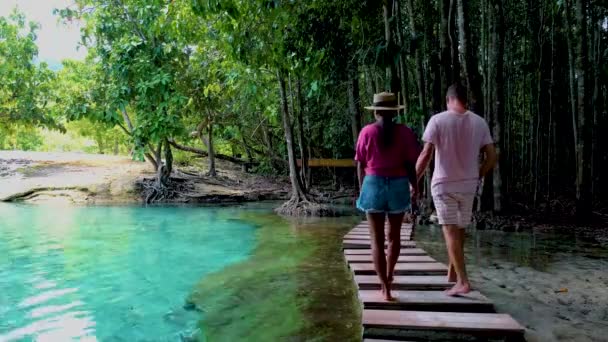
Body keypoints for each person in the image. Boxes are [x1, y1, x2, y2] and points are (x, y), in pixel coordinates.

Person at [416, 83, 497, 296]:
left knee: (450, 231)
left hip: (443, 184)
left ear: (448, 100)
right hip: (469, 185)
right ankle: (452, 275)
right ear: (465, 100)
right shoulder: (480, 123)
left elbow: (426, 154)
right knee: (460, 230)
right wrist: (479, 173)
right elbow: (492, 156)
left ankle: (463, 281)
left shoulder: (437, 120)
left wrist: (412, 179)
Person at [355, 92, 420, 301]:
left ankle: (384, 287)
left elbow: (360, 164)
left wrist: (361, 187)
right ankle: (390, 276)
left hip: (373, 184)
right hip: (399, 185)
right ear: (394, 113)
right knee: (394, 237)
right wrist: (415, 186)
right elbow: (411, 164)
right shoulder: (406, 133)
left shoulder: (366, 132)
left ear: (376, 112)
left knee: (376, 241)